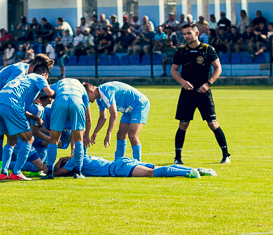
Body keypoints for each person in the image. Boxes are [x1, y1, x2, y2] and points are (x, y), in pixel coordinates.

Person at [0, 54, 53, 173]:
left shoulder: (22, 68)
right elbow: (10, 88)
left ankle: (4, 168)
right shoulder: (20, 71)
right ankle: (4, 168)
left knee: (10, 137)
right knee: (1, 134)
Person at [171, 23, 230, 165]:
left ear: (197, 34)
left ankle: (226, 155)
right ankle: (177, 158)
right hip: (187, 94)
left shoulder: (207, 49)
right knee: (183, 124)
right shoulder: (181, 51)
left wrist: (208, 83)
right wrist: (182, 81)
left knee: (213, 123)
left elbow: (218, 68)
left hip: (203, 93)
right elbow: (174, 70)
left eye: (189, 33)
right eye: (184, 34)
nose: (186, 36)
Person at [84, 81, 150, 161]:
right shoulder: (99, 98)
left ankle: (138, 163)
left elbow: (114, 114)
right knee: (120, 134)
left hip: (139, 104)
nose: (85, 100)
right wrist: (95, 132)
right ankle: (118, 162)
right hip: (127, 109)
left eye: (85, 96)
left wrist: (108, 133)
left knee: (132, 135)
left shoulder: (106, 91)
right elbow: (103, 117)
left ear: (91, 91)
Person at [41, 78, 92, 180]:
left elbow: (45, 92)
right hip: (77, 101)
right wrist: (87, 135)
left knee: (54, 139)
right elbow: (89, 118)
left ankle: (49, 172)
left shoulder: (58, 83)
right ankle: (78, 172)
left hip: (60, 100)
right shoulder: (81, 87)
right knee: (78, 139)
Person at [53, 155, 218, 179]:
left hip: (118, 169)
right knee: (158, 167)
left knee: (152, 173)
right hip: (122, 161)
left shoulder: (74, 160)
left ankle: (189, 172)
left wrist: (57, 163)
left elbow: (58, 173)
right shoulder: (85, 156)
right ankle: (197, 170)